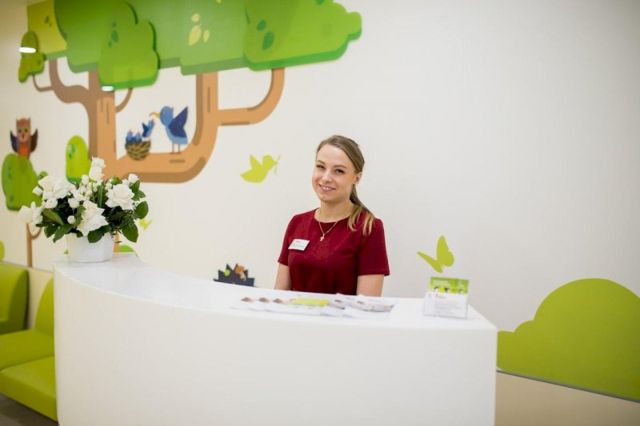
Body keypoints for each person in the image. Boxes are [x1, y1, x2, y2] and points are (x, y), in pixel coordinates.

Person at [275, 135, 390, 296]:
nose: (326, 178)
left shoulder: (369, 228)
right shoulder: (297, 223)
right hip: (293, 313)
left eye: (339, 171)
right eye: (320, 167)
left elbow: (367, 305)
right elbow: (279, 295)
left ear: (356, 178)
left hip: (341, 314)